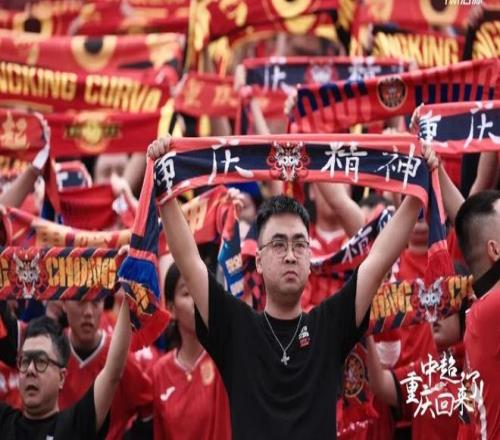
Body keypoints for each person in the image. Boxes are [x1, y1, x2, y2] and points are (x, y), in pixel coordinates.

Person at [148, 135, 429, 439]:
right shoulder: (236, 327)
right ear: (258, 260)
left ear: (310, 258)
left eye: (299, 244)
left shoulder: (329, 325)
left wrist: (419, 185)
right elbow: (188, 261)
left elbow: (380, 258)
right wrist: (165, 183)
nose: (291, 255)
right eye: (279, 244)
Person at [0, 293, 131, 439]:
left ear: (61, 377)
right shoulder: (4, 423)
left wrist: (131, 293)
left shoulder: (76, 425)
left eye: (41, 362)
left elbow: (113, 373)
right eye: (24, 362)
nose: (30, 369)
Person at [150, 263, 231, 440]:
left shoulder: (226, 357)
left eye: (199, 290)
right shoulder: (159, 372)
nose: (196, 300)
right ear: (171, 309)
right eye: (187, 293)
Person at [60, 299, 153, 439]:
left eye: (96, 302)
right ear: (64, 303)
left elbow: (149, 409)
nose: (88, 312)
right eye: (80, 301)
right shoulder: (51, 352)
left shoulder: (120, 358)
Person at [455, 190, 500, 439]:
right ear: (494, 250)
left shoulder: (483, 308)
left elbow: (470, 222)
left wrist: (438, 173)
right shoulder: (493, 308)